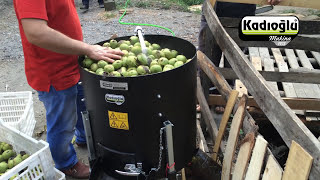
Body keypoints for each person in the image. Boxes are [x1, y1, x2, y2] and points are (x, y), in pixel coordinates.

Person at [13, 0, 123, 179]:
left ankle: (83, 138)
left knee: (83, 107)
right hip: (53, 72)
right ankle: (65, 163)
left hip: (71, 63)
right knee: (62, 124)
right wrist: (87, 49)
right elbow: (36, 32)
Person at [198, 0, 282, 114]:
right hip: (213, 9)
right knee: (207, 56)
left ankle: (225, 96)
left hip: (242, 13)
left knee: (233, 60)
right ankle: (204, 95)